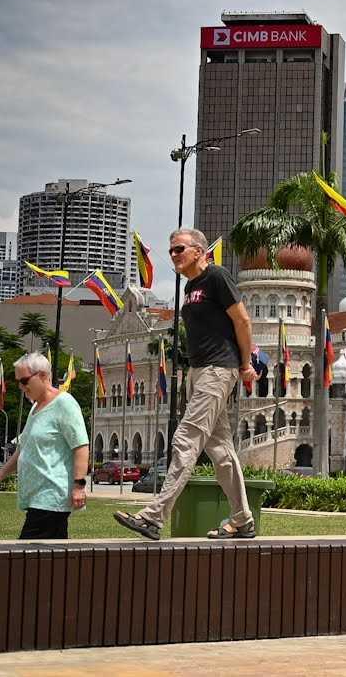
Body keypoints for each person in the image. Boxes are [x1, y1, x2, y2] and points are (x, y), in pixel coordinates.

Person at [115, 228, 259, 540]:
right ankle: (243, 519)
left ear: (199, 250)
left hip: (218, 369)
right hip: (198, 371)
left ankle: (154, 517)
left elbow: (243, 321)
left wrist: (245, 365)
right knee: (220, 449)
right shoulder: (191, 286)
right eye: (171, 251)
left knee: (186, 438)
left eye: (179, 249)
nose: (173, 255)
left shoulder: (217, 277)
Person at [0, 353, 90, 539]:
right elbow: (23, 448)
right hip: (37, 500)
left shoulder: (64, 404)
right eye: (18, 381)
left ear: (42, 375)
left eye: (24, 380)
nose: (21, 386)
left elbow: (81, 446)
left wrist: (79, 485)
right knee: (46, 562)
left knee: (26, 560)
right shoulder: (36, 408)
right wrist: (1, 474)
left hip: (51, 498)